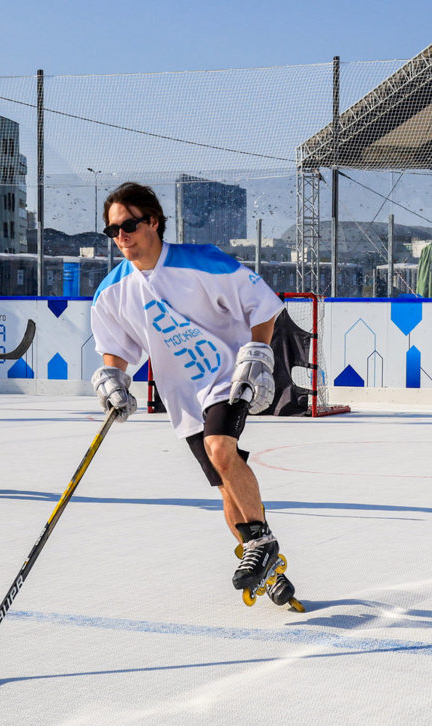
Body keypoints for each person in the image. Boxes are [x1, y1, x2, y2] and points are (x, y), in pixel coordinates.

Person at [89, 182, 298, 606]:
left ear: (153, 222)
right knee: (225, 485)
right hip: (181, 393)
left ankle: (259, 543)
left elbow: (263, 305)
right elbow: (115, 349)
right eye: (112, 231)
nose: (121, 237)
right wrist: (111, 380)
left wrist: (258, 351)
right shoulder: (112, 292)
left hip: (228, 373)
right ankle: (267, 564)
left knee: (220, 448)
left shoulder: (203, 263)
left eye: (128, 225)